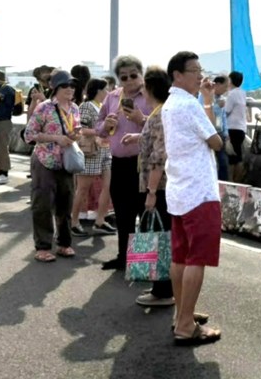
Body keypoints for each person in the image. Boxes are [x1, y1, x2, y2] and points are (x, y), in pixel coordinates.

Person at [162, 51, 224, 345]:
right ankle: (186, 325)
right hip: (200, 190)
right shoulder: (190, 104)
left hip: (178, 188)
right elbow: (217, 141)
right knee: (196, 259)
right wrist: (208, 101)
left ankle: (181, 313)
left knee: (180, 257)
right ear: (177, 75)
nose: (200, 75)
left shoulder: (170, 104)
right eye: (195, 71)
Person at [121, 67, 176, 306]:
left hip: (160, 187)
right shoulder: (160, 112)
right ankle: (161, 287)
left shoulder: (160, 113)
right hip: (160, 185)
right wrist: (138, 137)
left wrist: (151, 192)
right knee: (160, 234)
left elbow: (159, 156)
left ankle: (163, 290)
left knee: (159, 236)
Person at [96, 56, 152, 270]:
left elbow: (163, 126)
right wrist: (106, 124)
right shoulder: (112, 97)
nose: (129, 81)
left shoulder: (151, 95)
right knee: (122, 212)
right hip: (118, 162)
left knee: (144, 212)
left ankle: (143, 263)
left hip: (143, 164)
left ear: (141, 73)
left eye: (133, 76)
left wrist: (141, 119)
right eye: (123, 77)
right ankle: (124, 257)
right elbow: (98, 125)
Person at [24, 70, 81, 262]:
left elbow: (72, 132)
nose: (70, 89)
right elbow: (29, 134)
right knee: (42, 204)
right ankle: (43, 247)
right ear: (55, 88)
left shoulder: (74, 108)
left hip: (65, 161)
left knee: (66, 203)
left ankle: (64, 244)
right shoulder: (44, 108)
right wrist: (56, 138)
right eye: (65, 85)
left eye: (72, 85)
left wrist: (74, 136)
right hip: (44, 160)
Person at [72, 78, 116, 236]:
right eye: (106, 89)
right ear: (98, 90)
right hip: (91, 152)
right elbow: (80, 129)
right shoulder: (86, 106)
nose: (108, 92)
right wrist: (100, 130)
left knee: (108, 186)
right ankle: (74, 221)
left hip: (105, 150)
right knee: (82, 189)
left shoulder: (103, 107)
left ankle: (100, 220)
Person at [200, 75, 229, 181]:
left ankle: (223, 184)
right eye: (225, 87)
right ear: (217, 85)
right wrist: (216, 105)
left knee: (223, 163)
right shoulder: (204, 96)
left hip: (220, 132)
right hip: (210, 133)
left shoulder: (221, 99)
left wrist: (226, 132)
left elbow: (223, 117)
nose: (226, 90)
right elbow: (203, 112)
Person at [0, 70, 16, 184]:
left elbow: (0, 97)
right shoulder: (1, 88)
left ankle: (4, 173)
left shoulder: (6, 88)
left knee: (2, 147)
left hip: (4, 122)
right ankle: (1, 170)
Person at [225, 71, 248, 182]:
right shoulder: (242, 93)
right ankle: (238, 181)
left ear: (231, 81)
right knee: (238, 156)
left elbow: (227, 110)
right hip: (241, 128)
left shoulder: (231, 94)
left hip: (232, 128)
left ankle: (232, 181)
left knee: (232, 158)